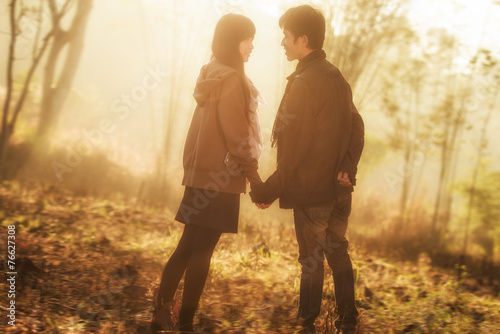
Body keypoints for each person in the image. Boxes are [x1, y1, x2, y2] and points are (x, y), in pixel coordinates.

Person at [250, 5, 365, 334]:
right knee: (337, 251)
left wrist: (268, 189)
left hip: (314, 191)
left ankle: (307, 323)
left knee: (312, 258)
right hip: (340, 190)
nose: (282, 43)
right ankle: (348, 320)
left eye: (285, 37)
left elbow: (296, 148)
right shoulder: (336, 77)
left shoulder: (304, 82)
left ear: (303, 39)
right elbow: (357, 127)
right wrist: (347, 166)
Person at [151, 13, 264, 332]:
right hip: (222, 179)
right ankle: (184, 323)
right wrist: (255, 180)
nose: (252, 46)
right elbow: (238, 136)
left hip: (200, 176)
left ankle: (161, 315)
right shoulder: (231, 79)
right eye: (247, 39)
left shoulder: (210, 74)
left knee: (187, 247)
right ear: (233, 41)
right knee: (201, 253)